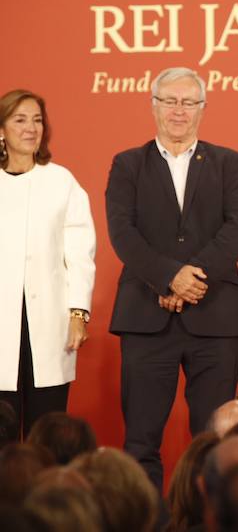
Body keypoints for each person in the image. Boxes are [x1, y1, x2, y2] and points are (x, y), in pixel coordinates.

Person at [105, 67, 238, 491]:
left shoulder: (229, 162)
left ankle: (206, 519)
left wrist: (189, 280)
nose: (179, 110)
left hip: (215, 318)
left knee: (214, 441)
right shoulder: (127, 164)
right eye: (170, 100)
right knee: (140, 440)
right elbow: (122, 233)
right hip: (145, 317)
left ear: (202, 109)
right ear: (153, 106)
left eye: (189, 102)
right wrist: (169, 278)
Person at [0, 89, 96, 439]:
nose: (31, 128)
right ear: (2, 130)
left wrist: (77, 313)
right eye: (20, 120)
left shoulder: (61, 181)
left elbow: (80, 254)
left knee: (48, 434)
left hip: (48, 326)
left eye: (37, 120)